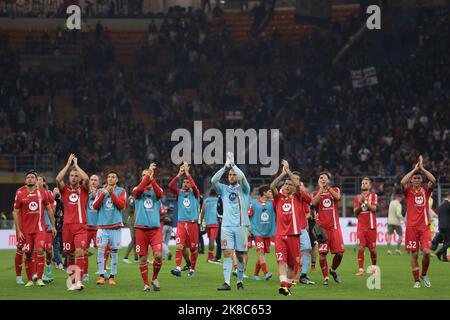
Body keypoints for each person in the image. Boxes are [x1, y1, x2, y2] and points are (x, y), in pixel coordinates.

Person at [212, 152, 250, 291]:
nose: (232, 176)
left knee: (240, 255)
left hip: (240, 225)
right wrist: (224, 167)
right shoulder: (223, 189)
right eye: (230, 174)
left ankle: (239, 281)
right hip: (226, 226)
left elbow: (243, 177)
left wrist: (233, 165)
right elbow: (213, 181)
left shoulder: (244, 189)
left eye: (234, 174)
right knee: (227, 253)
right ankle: (227, 283)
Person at [13, 170, 56, 287]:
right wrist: (19, 231)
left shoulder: (42, 193)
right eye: (28, 177)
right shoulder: (20, 192)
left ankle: (40, 278)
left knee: (40, 250)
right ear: (25, 180)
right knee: (27, 254)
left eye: (32, 177)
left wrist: (53, 225)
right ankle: (30, 280)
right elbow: (15, 212)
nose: (30, 179)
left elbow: (49, 209)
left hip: (39, 229)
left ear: (36, 180)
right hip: (25, 230)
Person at [270, 160, 305, 296]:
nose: (287, 186)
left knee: (292, 264)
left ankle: (287, 287)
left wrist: (289, 172)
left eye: (289, 184)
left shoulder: (297, 197)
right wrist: (283, 173)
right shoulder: (278, 198)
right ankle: (283, 285)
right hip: (280, 235)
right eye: (285, 184)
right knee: (281, 261)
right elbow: (272, 185)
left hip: (294, 235)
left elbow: (297, 185)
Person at [400, 155, 436, 288]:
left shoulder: (426, 191)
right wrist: (414, 169)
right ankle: (416, 281)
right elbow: (402, 182)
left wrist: (422, 168)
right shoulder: (408, 191)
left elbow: (433, 180)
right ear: (412, 180)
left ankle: (424, 273)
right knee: (414, 254)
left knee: (426, 252)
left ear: (421, 180)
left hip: (424, 226)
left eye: (418, 178)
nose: (416, 180)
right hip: (411, 227)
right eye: (414, 178)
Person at [56, 154, 90, 291]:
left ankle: (79, 282)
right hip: (67, 226)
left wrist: (76, 165)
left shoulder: (84, 189)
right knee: (69, 255)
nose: (74, 177)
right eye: (72, 175)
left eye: (76, 175)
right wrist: (68, 163)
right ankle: (73, 281)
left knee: (80, 252)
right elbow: (58, 178)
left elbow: (86, 178)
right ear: (69, 177)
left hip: (81, 226)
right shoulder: (64, 190)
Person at [132, 163, 164, 292]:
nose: (146, 177)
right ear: (141, 178)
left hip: (155, 229)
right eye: (143, 175)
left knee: (158, 256)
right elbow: (139, 191)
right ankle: (146, 284)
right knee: (143, 258)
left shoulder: (157, 190)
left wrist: (152, 178)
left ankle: (154, 278)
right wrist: (148, 175)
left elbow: (159, 195)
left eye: (148, 175)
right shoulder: (136, 190)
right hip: (141, 229)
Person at [93, 170, 127, 285]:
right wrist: (104, 193)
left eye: (113, 177)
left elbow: (122, 206)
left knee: (114, 252)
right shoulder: (100, 191)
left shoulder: (121, 191)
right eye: (109, 177)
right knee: (101, 252)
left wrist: (112, 193)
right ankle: (102, 276)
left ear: (117, 180)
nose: (110, 179)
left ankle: (112, 276)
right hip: (102, 227)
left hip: (115, 227)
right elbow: (95, 206)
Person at [311, 171, 345, 286]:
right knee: (322, 254)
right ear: (318, 181)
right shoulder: (316, 193)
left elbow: (338, 197)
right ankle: (326, 277)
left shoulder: (335, 190)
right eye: (320, 178)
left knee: (340, 253)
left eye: (324, 178)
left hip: (335, 228)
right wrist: (321, 189)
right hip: (322, 228)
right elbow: (314, 203)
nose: (322, 179)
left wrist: (327, 188)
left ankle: (333, 270)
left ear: (329, 180)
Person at [169, 162, 201, 278]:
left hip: (192, 225)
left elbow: (194, 186)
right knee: (179, 246)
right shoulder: (180, 193)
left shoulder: (195, 194)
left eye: (187, 182)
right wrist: (179, 174)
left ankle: (192, 269)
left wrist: (187, 174)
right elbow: (170, 186)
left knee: (193, 249)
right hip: (181, 224)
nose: (185, 184)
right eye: (184, 182)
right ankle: (178, 268)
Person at [249, 185, 275, 281]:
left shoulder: (272, 203)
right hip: (257, 232)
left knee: (261, 254)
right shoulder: (254, 203)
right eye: (270, 191)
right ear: (264, 193)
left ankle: (255, 274)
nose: (271, 193)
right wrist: (249, 227)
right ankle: (266, 273)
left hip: (267, 233)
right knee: (260, 251)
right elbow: (249, 214)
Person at [354, 177, 378, 276]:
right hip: (361, 227)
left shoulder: (373, 196)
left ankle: (374, 268)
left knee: (373, 250)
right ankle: (361, 270)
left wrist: (366, 202)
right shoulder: (357, 197)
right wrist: (360, 204)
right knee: (360, 248)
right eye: (362, 183)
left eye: (366, 183)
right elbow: (355, 212)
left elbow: (374, 209)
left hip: (371, 227)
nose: (364, 184)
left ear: (370, 185)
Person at [37, 175, 56, 283]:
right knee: (39, 250)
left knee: (49, 250)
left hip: (48, 225)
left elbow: (52, 204)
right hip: (38, 226)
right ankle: (40, 274)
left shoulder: (47, 193)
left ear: (44, 182)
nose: (38, 181)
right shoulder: (32, 193)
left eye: (40, 180)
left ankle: (48, 264)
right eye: (37, 179)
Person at [85, 174, 100, 281]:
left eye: (95, 180)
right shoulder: (84, 194)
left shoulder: (102, 194)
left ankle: (101, 272)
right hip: (85, 227)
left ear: (98, 182)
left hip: (98, 227)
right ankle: (85, 274)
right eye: (91, 180)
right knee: (84, 251)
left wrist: (95, 193)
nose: (93, 182)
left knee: (101, 251)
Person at [200, 189, 221, 264]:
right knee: (213, 239)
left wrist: (201, 222)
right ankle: (210, 256)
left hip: (207, 222)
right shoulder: (218, 200)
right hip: (215, 222)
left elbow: (202, 212)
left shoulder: (206, 201)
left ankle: (210, 256)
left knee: (210, 239)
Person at [123, 190, 138, 264]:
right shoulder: (132, 199)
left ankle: (136, 258)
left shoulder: (132, 198)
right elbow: (131, 208)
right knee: (134, 239)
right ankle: (125, 257)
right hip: (132, 220)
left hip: (134, 220)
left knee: (135, 240)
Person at [52, 187, 64, 270]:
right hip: (54, 227)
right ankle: (59, 262)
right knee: (56, 245)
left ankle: (54, 259)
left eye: (58, 191)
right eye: (55, 192)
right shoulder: (50, 203)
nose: (56, 193)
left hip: (62, 226)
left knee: (61, 246)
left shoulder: (62, 202)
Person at [435, 192, 450, 262]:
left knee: (445, 241)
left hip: (441, 225)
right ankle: (439, 253)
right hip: (447, 226)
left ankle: (444, 257)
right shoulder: (449, 205)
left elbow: (439, 216)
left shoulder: (441, 205)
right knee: (448, 242)